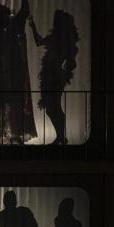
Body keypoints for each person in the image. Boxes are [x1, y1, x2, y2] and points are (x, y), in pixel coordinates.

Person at [0, 0, 38, 145]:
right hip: (1, 79)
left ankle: (11, 134)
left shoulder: (10, 31)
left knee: (10, 105)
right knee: (0, 106)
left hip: (10, 77)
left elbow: (24, 11)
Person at [29, 10, 79, 145]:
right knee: (52, 108)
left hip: (54, 77)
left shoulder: (65, 42)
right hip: (49, 76)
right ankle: (61, 137)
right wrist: (33, 26)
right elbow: (39, 42)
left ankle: (61, 137)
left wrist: (64, 72)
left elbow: (72, 62)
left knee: (54, 107)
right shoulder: (56, 39)